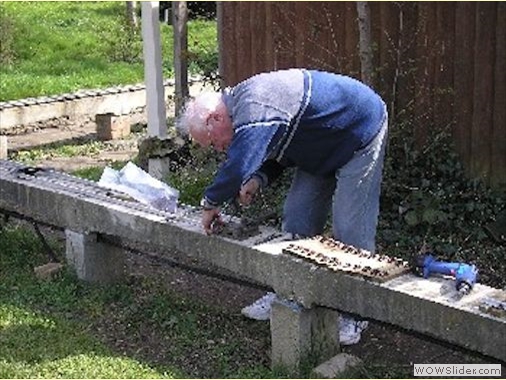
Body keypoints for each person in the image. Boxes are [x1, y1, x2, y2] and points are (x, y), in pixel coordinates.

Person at [176, 68, 388, 345]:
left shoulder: (254, 104)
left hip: (359, 131)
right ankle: (289, 293)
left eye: (213, 142)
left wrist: (210, 203)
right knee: (298, 217)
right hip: (320, 144)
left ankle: (355, 315)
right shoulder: (245, 111)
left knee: (350, 227)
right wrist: (258, 179)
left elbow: (239, 163)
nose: (218, 149)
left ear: (215, 118)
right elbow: (282, 147)